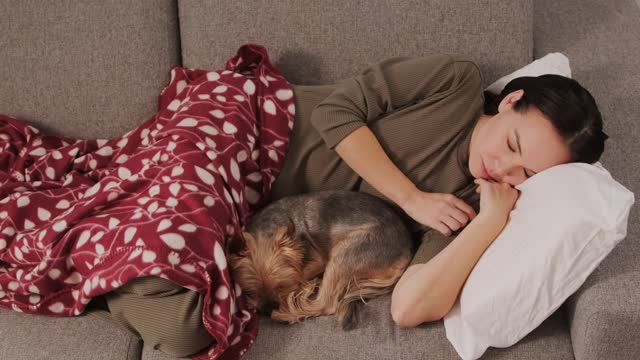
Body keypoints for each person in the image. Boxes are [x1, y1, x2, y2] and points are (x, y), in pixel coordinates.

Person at [84, 53, 607, 355]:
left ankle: (105, 268)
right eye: (513, 146)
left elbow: (409, 307)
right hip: (245, 126)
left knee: (190, 326)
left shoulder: (464, 209)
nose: (504, 170)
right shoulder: (456, 83)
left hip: (249, 206)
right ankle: (105, 256)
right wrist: (411, 198)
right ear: (511, 100)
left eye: (527, 175)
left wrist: (491, 221)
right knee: (155, 249)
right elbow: (337, 111)